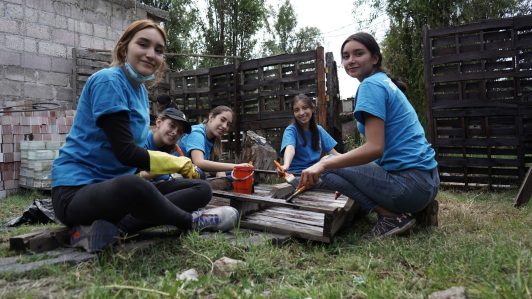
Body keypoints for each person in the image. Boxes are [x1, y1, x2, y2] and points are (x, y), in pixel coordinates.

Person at [51, 20, 239, 253]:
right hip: (76, 191)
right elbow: (125, 153)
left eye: (158, 50)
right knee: (133, 185)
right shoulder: (108, 81)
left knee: (202, 188)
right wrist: (175, 163)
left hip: (116, 195)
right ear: (124, 48)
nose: (151, 54)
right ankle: (192, 222)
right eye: (143, 45)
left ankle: (110, 227)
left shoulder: (140, 91)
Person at [298, 32, 440, 238]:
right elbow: (384, 150)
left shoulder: (370, 86)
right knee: (336, 165)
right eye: (346, 56)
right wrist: (354, 181)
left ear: (375, 58)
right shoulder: (385, 82)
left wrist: (324, 164)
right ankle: (420, 209)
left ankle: (391, 218)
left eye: (358, 54)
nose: (351, 60)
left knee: (328, 167)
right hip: (430, 182)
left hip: (410, 187)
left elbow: (375, 148)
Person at [276, 94, 340, 190]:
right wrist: (285, 165)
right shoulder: (291, 131)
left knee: (329, 160)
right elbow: (290, 148)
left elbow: (335, 154)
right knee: (337, 183)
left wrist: (356, 163)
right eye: (296, 110)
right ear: (293, 113)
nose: (301, 113)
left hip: (316, 173)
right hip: (297, 176)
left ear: (312, 109)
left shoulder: (319, 130)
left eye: (305, 108)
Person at [177, 105, 252, 179]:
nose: (225, 126)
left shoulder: (212, 139)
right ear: (211, 117)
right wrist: (237, 166)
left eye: (228, 124)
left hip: (194, 174)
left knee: (242, 173)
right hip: (177, 175)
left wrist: (219, 171)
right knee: (201, 173)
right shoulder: (196, 133)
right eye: (222, 120)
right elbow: (199, 163)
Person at [140, 108, 191, 182]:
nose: (175, 132)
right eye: (172, 126)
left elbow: (161, 180)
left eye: (180, 131)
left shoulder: (166, 148)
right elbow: (133, 177)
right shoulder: (143, 142)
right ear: (159, 122)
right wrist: (168, 167)